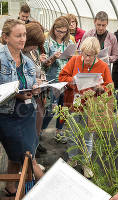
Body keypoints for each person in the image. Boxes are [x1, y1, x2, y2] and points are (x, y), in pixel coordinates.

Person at [0, 19, 43, 196]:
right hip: (7, 115)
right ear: (5, 37)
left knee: (15, 154)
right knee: (28, 157)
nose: (23, 39)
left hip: (27, 113)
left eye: (24, 35)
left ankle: (10, 187)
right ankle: (48, 186)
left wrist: (35, 89)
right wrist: (16, 94)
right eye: (18, 35)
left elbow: (31, 85)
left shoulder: (28, 62)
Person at [59, 36, 113, 178]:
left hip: (91, 107)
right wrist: (73, 81)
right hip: (73, 104)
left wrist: (100, 88)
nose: (87, 58)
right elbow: (62, 76)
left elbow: (110, 88)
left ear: (96, 54)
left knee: (88, 137)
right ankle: (73, 159)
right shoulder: (75, 60)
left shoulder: (102, 66)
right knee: (72, 134)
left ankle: (86, 163)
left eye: (90, 56)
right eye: (84, 54)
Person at [41, 16, 74, 140]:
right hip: (52, 81)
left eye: (63, 31)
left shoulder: (69, 42)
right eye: (58, 31)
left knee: (63, 108)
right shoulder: (47, 41)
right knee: (49, 109)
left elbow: (73, 62)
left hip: (66, 81)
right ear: (53, 28)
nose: (60, 34)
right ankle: (40, 131)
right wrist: (53, 57)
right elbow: (43, 65)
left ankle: (59, 131)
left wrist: (71, 57)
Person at [22, 22, 47, 155]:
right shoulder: (20, 54)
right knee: (31, 126)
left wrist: (41, 78)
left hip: (39, 93)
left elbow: (38, 68)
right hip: (29, 96)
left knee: (38, 122)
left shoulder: (33, 52)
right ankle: (31, 154)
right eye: (35, 43)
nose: (36, 47)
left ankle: (35, 146)